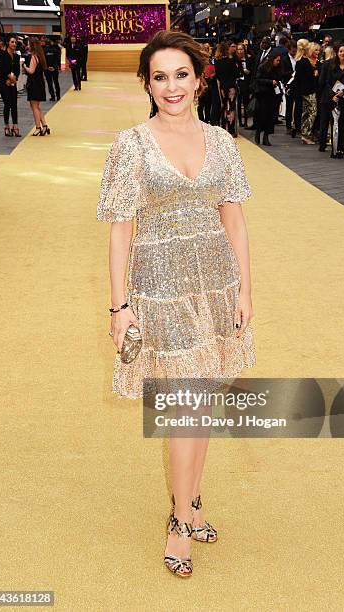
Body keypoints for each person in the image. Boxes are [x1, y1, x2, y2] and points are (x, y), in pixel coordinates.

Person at [97, 29, 256, 578]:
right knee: (186, 408)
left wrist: (245, 289)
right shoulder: (131, 145)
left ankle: (186, 502)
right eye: (160, 76)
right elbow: (120, 230)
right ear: (146, 82)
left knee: (200, 405)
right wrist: (120, 309)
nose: (172, 86)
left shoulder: (223, 142)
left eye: (181, 74)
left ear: (198, 78)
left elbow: (234, 218)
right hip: (159, 290)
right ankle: (180, 522)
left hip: (212, 285)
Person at [318, 43, 344, 158]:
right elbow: (326, 82)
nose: (343, 53)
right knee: (333, 124)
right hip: (332, 98)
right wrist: (332, 95)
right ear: (337, 53)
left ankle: (341, 148)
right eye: (340, 51)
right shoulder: (330, 66)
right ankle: (334, 148)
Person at [251, 51, 283, 146]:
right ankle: (258, 133)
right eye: (277, 60)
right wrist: (270, 82)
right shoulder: (263, 67)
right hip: (263, 95)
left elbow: (280, 79)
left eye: (279, 61)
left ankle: (266, 137)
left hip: (273, 96)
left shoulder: (278, 68)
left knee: (271, 118)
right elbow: (257, 79)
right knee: (262, 116)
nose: (278, 62)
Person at [22, 37, 50, 136]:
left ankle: (38, 127)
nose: (27, 46)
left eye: (29, 44)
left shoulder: (34, 57)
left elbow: (31, 71)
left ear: (32, 45)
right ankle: (45, 126)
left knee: (34, 107)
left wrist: (24, 66)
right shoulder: (40, 55)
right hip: (39, 82)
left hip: (34, 83)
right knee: (37, 107)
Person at [295, 40, 320, 145]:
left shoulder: (305, 61)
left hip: (309, 90)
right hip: (307, 91)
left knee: (307, 112)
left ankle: (306, 134)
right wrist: (314, 74)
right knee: (313, 112)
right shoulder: (303, 61)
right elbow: (301, 78)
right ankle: (305, 133)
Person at [215, 40, 242, 136]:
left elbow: (217, 75)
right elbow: (237, 73)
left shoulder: (217, 62)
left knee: (224, 107)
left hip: (222, 87)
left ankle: (223, 128)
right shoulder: (231, 61)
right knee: (231, 107)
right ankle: (231, 129)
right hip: (231, 87)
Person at [0, 35, 21, 138]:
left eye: (15, 42)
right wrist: (8, 78)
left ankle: (15, 126)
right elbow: (0, 70)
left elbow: (17, 70)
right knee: (7, 103)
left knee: (14, 104)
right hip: (3, 82)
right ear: (8, 43)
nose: (14, 44)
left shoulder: (17, 56)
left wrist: (14, 79)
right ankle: (6, 126)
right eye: (12, 42)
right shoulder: (2, 54)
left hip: (12, 82)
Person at [282, 39, 297, 134]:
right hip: (289, 84)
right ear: (288, 49)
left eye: (295, 51)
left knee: (298, 106)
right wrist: (293, 73)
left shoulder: (298, 58)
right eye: (292, 51)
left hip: (298, 84)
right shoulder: (284, 59)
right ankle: (288, 126)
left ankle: (296, 125)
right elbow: (283, 73)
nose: (294, 52)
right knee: (289, 105)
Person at [235, 43, 253, 127]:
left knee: (246, 102)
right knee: (238, 103)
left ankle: (246, 121)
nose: (240, 51)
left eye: (241, 49)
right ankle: (240, 121)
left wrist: (248, 72)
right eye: (238, 49)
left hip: (246, 82)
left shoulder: (249, 58)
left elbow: (252, 70)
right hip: (238, 83)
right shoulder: (234, 60)